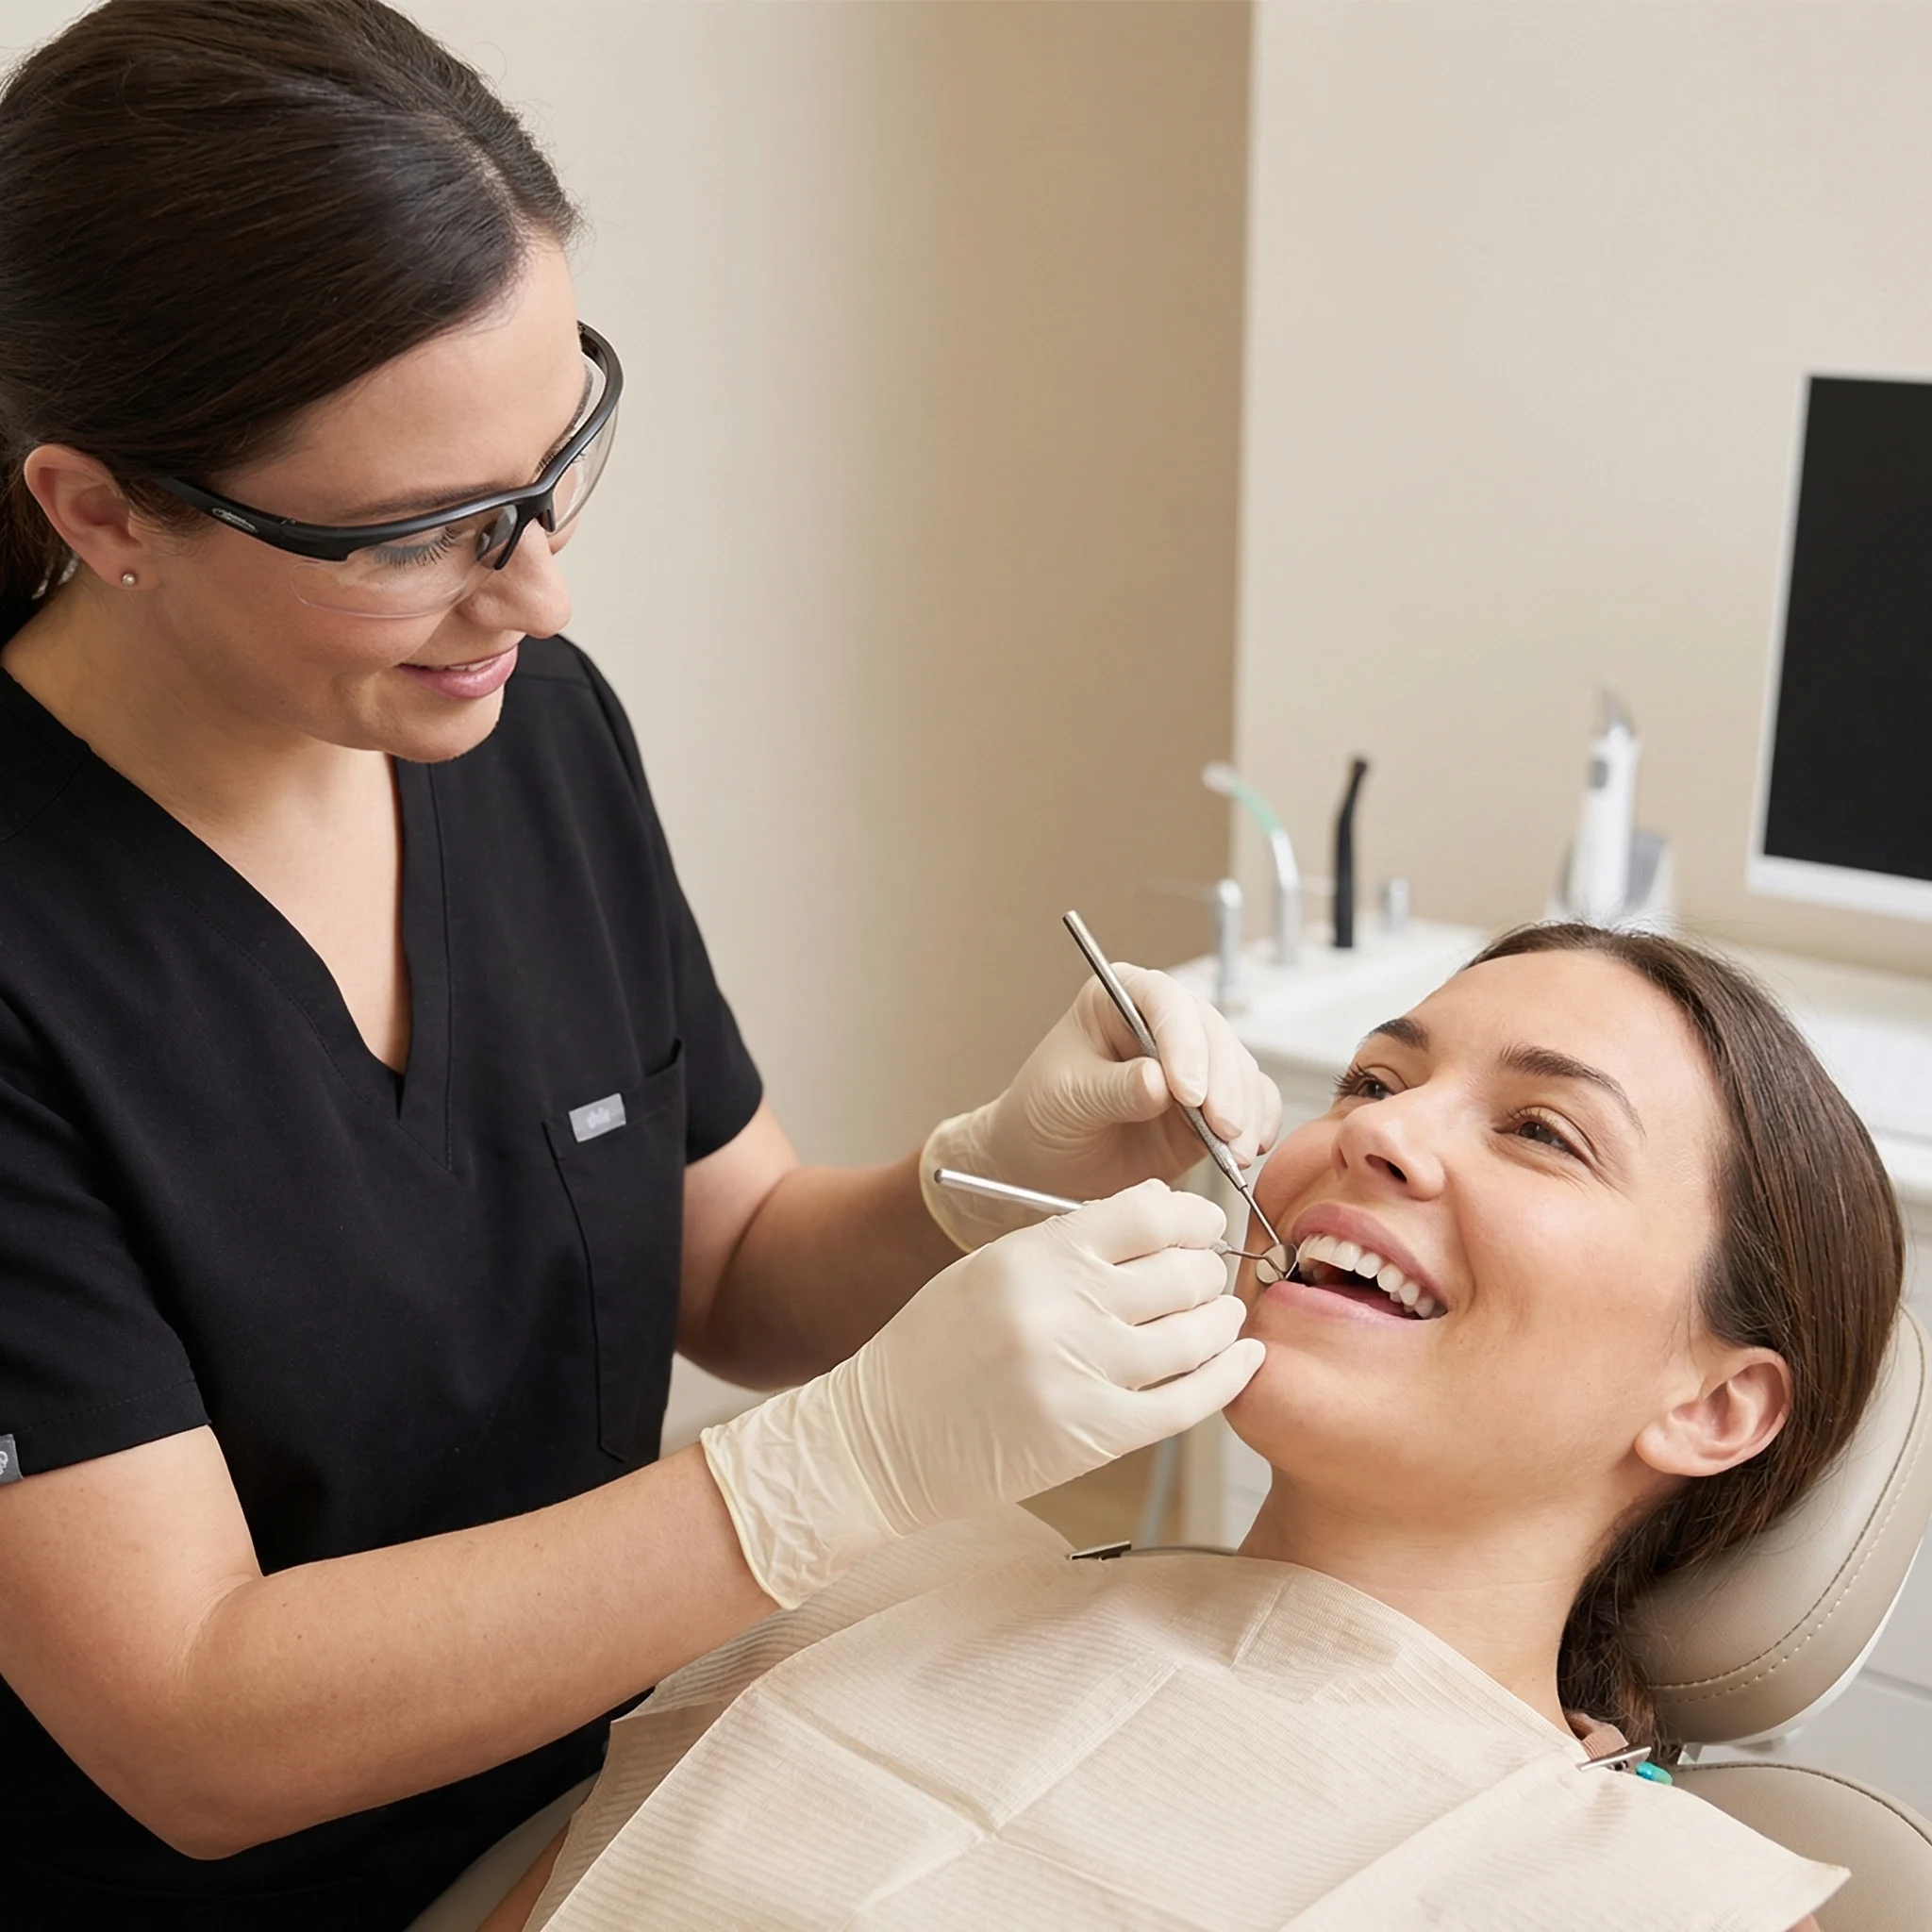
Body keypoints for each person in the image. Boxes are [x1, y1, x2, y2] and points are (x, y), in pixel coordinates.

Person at [0, 4, 1276, 1925]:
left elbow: (732, 1269)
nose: (538, 589)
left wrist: (992, 1175)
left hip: (624, 1803)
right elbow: (192, 1726)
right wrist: (819, 1479)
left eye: (553, 456)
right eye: (423, 533)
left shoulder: (530, 731)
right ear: (100, 512)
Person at [508, 924, 1901, 1932]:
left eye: (1542, 1131)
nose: (1383, 1134)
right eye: (1372, 1080)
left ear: (1715, 1406)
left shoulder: (1661, 1906)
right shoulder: (893, 1579)